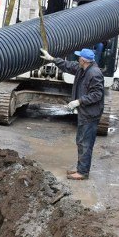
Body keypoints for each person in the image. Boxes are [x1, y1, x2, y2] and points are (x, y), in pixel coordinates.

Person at [39, 47, 104, 180]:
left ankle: (83, 172)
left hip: (90, 114)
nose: (77, 59)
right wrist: (52, 59)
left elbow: (97, 94)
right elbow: (68, 65)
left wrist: (79, 101)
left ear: (84, 60)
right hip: (85, 112)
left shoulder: (94, 74)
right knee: (80, 141)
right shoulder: (83, 69)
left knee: (85, 143)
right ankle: (81, 168)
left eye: (79, 57)